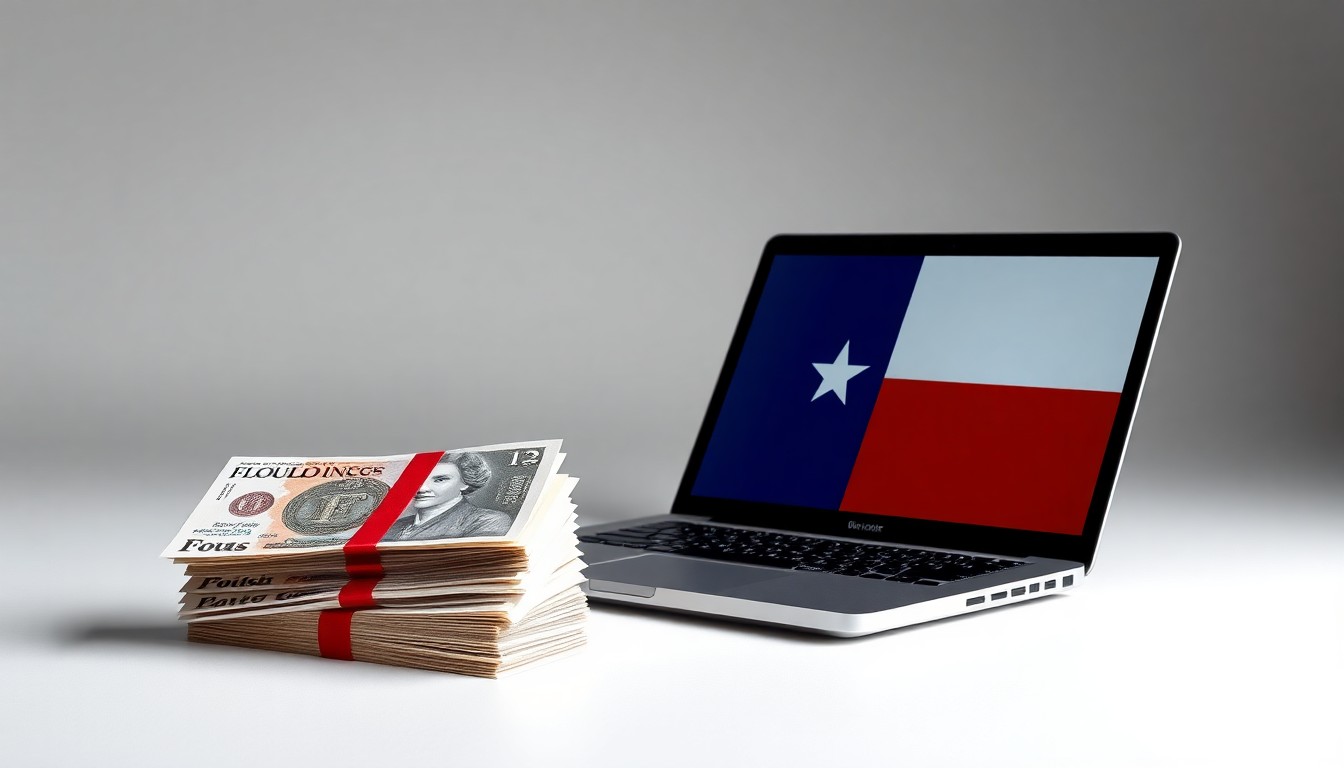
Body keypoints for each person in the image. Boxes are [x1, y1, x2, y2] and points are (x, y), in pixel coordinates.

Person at [382, 452, 512, 540]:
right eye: (418, 479)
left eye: (439, 480)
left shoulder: (488, 521)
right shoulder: (394, 526)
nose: (421, 489)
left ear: (465, 483)